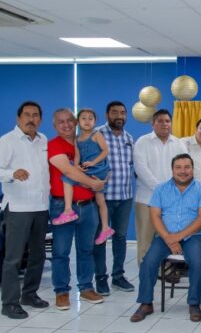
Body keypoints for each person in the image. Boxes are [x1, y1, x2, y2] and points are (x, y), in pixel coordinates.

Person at [130, 154, 201, 323]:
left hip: (194, 236)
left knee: (198, 262)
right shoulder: (160, 189)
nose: (183, 171)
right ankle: (146, 303)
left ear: (193, 169)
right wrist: (169, 238)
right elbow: (155, 217)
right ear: (172, 170)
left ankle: (194, 303)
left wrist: (177, 237)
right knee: (148, 261)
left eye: (187, 167)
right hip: (165, 235)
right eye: (178, 167)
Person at [0, 101, 51, 318]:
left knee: (38, 255)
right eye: (26, 115)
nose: (31, 119)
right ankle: (9, 303)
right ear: (18, 118)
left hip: (41, 206)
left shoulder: (44, 140)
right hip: (18, 207)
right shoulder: (7, 140)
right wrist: (12, 174)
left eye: (35, 115)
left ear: (40, 119)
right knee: (14, 258)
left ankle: (30, 294)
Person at [47, 108, 106, 310]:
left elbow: (101, 163)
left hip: (88, 206)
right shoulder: (54, 145)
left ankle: (86, 287)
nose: (66, 125)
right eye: (61, 122)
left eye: (69, 120)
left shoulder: (85, 142)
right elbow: (69, 171)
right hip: (63, 207)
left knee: (86, 250)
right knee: (61, 252)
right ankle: (61, 291)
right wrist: (94, 183)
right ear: (55, 126)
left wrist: (102, 179)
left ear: (76, 122)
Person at [52, 108, 115, 247]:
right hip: (87, 169)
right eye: (83, 118)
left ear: (95, 121)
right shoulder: (77, 139)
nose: (87, 121)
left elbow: (105, 151)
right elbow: (77, 156)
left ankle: (103, 226)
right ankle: (103, 227)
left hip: (98, 168)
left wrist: (93, 162)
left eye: (90, 118)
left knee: (70, 180)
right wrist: (76, 166)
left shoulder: (96, 134)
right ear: (78, 122)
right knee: (96, 196)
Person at [133, 109, 187, 264]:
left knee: (169, 240)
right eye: (160, 121)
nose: (164, 124)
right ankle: (145, 272)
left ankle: (165, 272)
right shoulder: (143, 142)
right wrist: (162, 190)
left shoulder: (178, 143)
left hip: (172, 201)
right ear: (153, 124)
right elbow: (141, 169)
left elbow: (185, 169)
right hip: (147, 200)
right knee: (146, 240)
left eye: (167, 121)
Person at [93, 100, 135, 295]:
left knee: (120, 237)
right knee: (100, 238)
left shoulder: (129, 138)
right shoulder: (97, 135)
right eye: (115, 112)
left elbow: (132, 165)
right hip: (103, 198)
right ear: (107, 115)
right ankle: (101, 278)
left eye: (122, 113)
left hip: (125, 196)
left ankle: (118, 276)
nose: (119, 116)